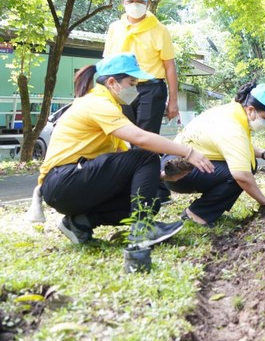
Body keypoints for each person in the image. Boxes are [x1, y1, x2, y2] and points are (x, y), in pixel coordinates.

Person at [38, 53, 215, 246]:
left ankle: (79, 223)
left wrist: (162, 176)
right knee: (146, 156)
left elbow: (124, 164)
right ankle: (142, 230)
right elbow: (142, 139)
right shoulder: (97, 103)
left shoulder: (110, 106)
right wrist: (188, 152)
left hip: (69, 185)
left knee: (151, 200)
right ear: (112, 82)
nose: (135, 90)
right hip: (62, 181)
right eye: (132, 83)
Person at [160, 81, 265, 227]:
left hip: (175, 161)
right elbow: (242, 176)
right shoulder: (232, 126)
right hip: (179, 171)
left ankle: (203, 211)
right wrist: (263, 200)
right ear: (251, 109)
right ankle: (197, 214)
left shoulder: (230, 112)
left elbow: (237, 147)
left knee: (248, 163)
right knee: (241, 171)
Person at [104, 0, 179, 203]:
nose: (135, 5)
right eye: (131, 1)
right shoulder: (115, 28)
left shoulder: (159, 29)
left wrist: (173, 101)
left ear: (148, 3)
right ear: (123, 2)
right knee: (129, 138)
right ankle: (150, 187)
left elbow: (169, 66)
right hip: (123, 88)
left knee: (146, 138)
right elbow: (107, 62)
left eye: (139, 1)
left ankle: (155, 192)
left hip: (151, 88)